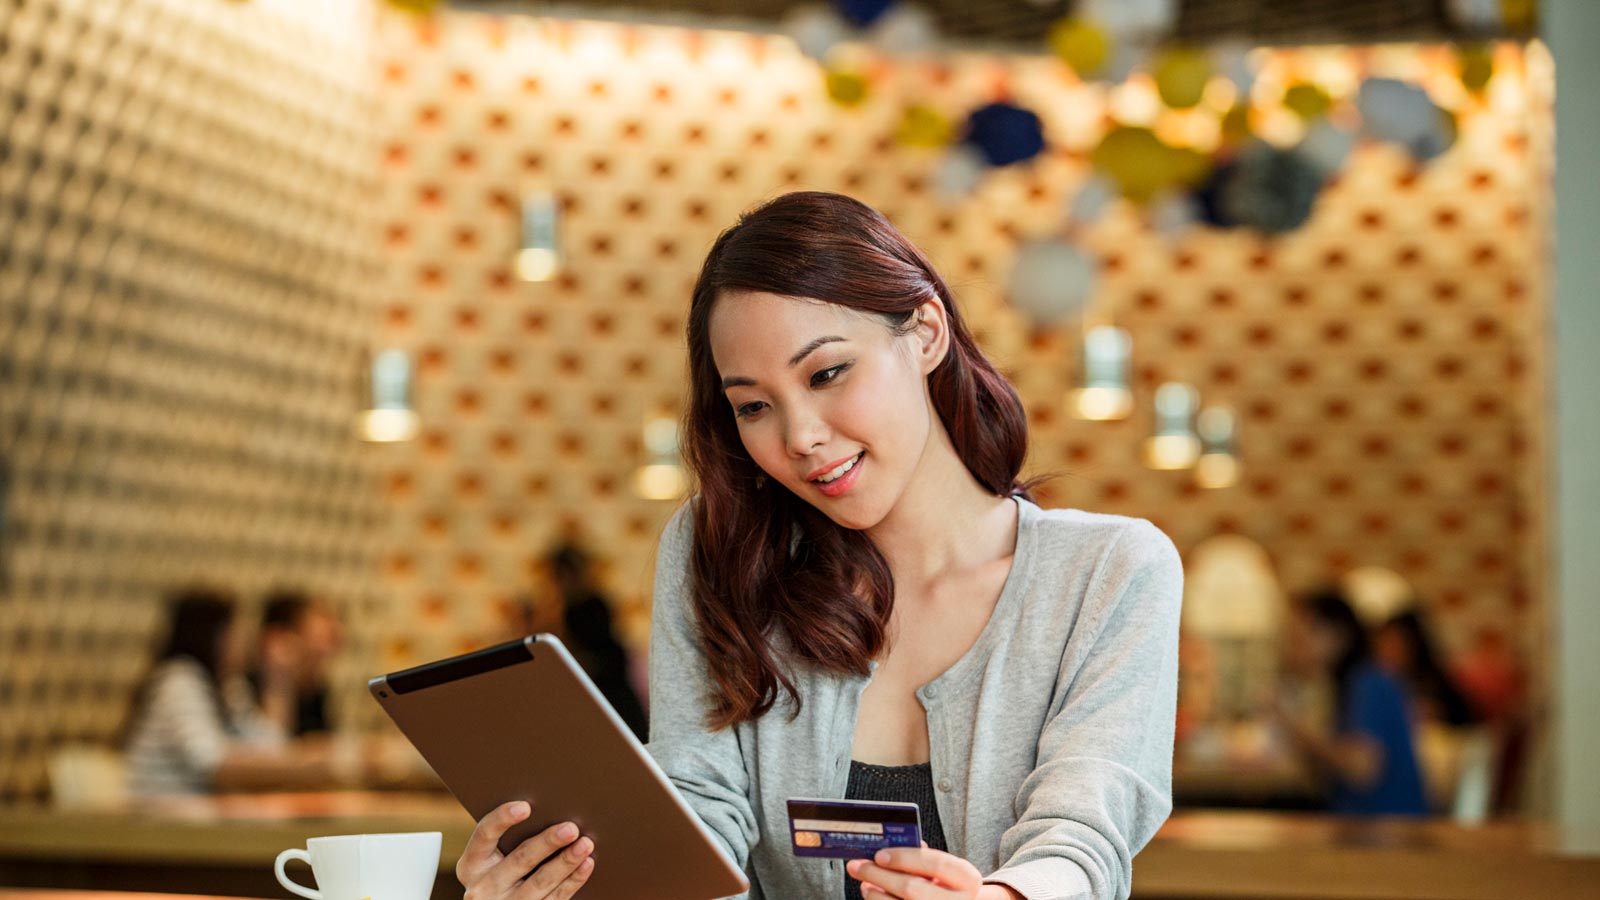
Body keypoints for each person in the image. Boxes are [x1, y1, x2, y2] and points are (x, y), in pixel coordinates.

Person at [454, 191, 1184, 900]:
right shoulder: (719, 554)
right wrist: (587, 883)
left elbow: (1082, 836)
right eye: (754, 406)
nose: (799, 436)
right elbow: (700, 818)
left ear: (926, 333)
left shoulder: (1111, 572)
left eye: (827, 373)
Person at [122, 588, 358, 795]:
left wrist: (278, 679)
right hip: (160, 819)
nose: (242, 641)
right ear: (211, 635)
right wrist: (310, 765)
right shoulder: (178, 680)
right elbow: (212, 764)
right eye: (233, 632)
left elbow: (272, 747)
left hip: (207, 817)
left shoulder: (228, 688)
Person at [1276, 586, 1428, 817]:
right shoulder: (1347, 684)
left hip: (1388, 830)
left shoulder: (1369, 682)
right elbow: (1325, 777)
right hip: (1360, 825)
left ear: (1336, 635)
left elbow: (1363, 769)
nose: (1292, 650)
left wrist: (1293, 726)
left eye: (1300, 638)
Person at [544, 542, 649, 741]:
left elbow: (600, 649)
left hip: (607, 682)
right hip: (602, 681)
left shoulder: (588, 605)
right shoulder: (574, 606)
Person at [252, 589, 344, 738]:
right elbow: (272, 745)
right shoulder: (245, 688)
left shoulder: (314, 689)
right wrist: (277, 677)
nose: (336, 628)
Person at [1373, 608, 1478, 729]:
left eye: (1394, 644)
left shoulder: (1435, 681)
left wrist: (1438, 714)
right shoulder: (1372, 684)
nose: (1385, 652)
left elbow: (1467, 722)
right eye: (1382, 644)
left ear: (1413, 645)